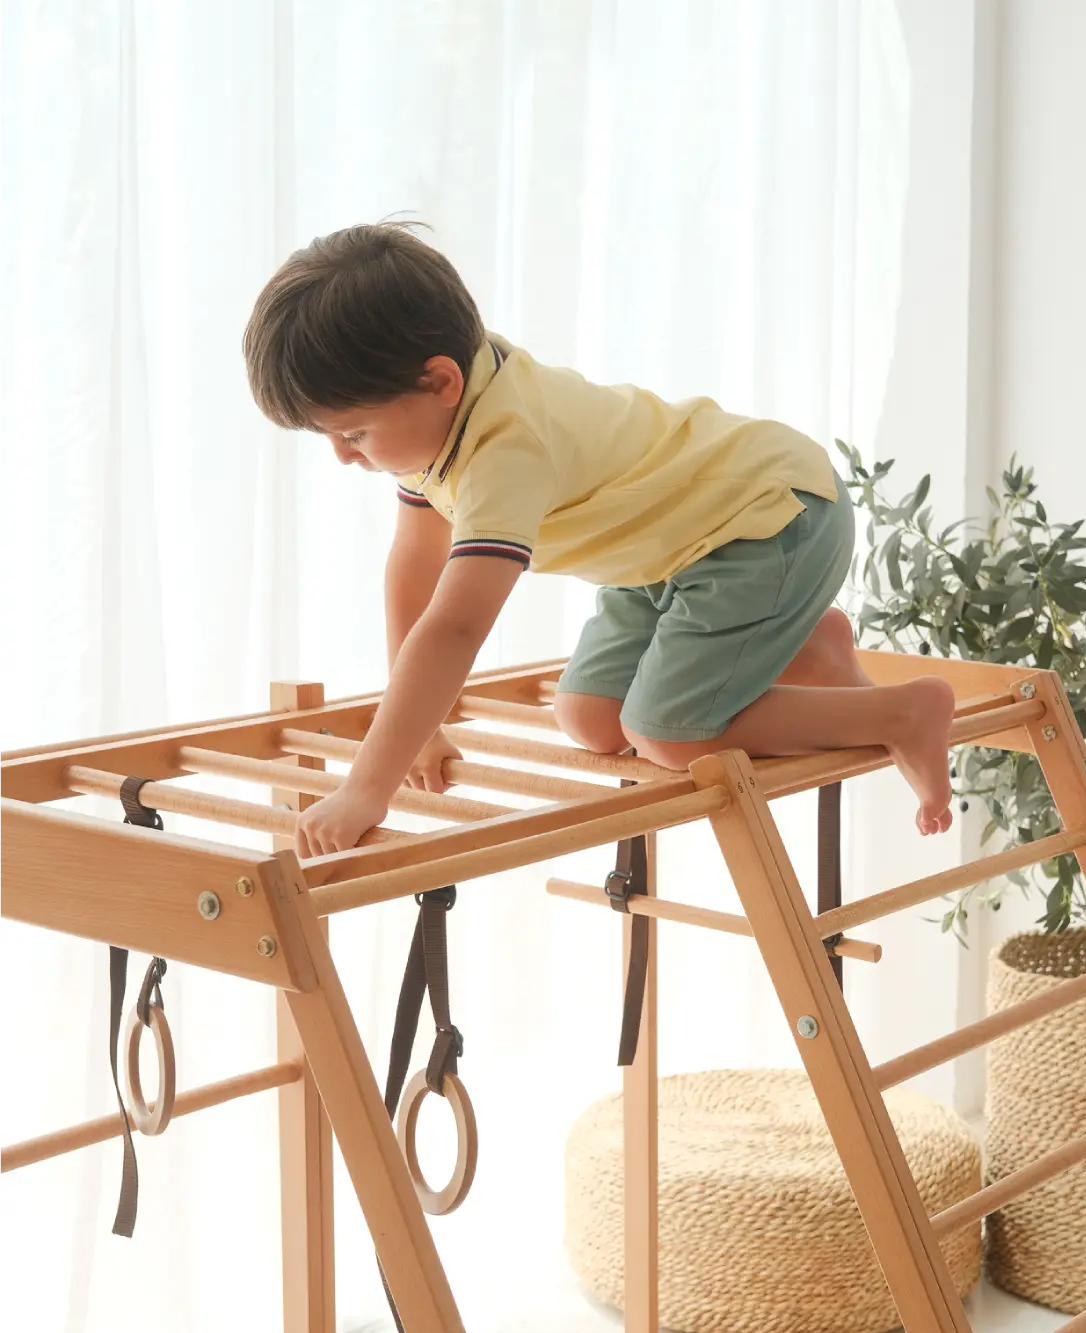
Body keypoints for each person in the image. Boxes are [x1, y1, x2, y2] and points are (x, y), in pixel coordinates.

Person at [242, 221, 955, 858]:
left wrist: (371, 785)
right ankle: (810, 645)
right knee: (590, 717)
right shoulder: (436, 418)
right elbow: (415, 564)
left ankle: (902, 710)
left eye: (352, 433)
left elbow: (456, 625)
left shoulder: (506, 450)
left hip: (767, 520)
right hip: (666, 553)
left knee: (673, 735)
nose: (342, 456)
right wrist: (416, 729)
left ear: (440, 380)